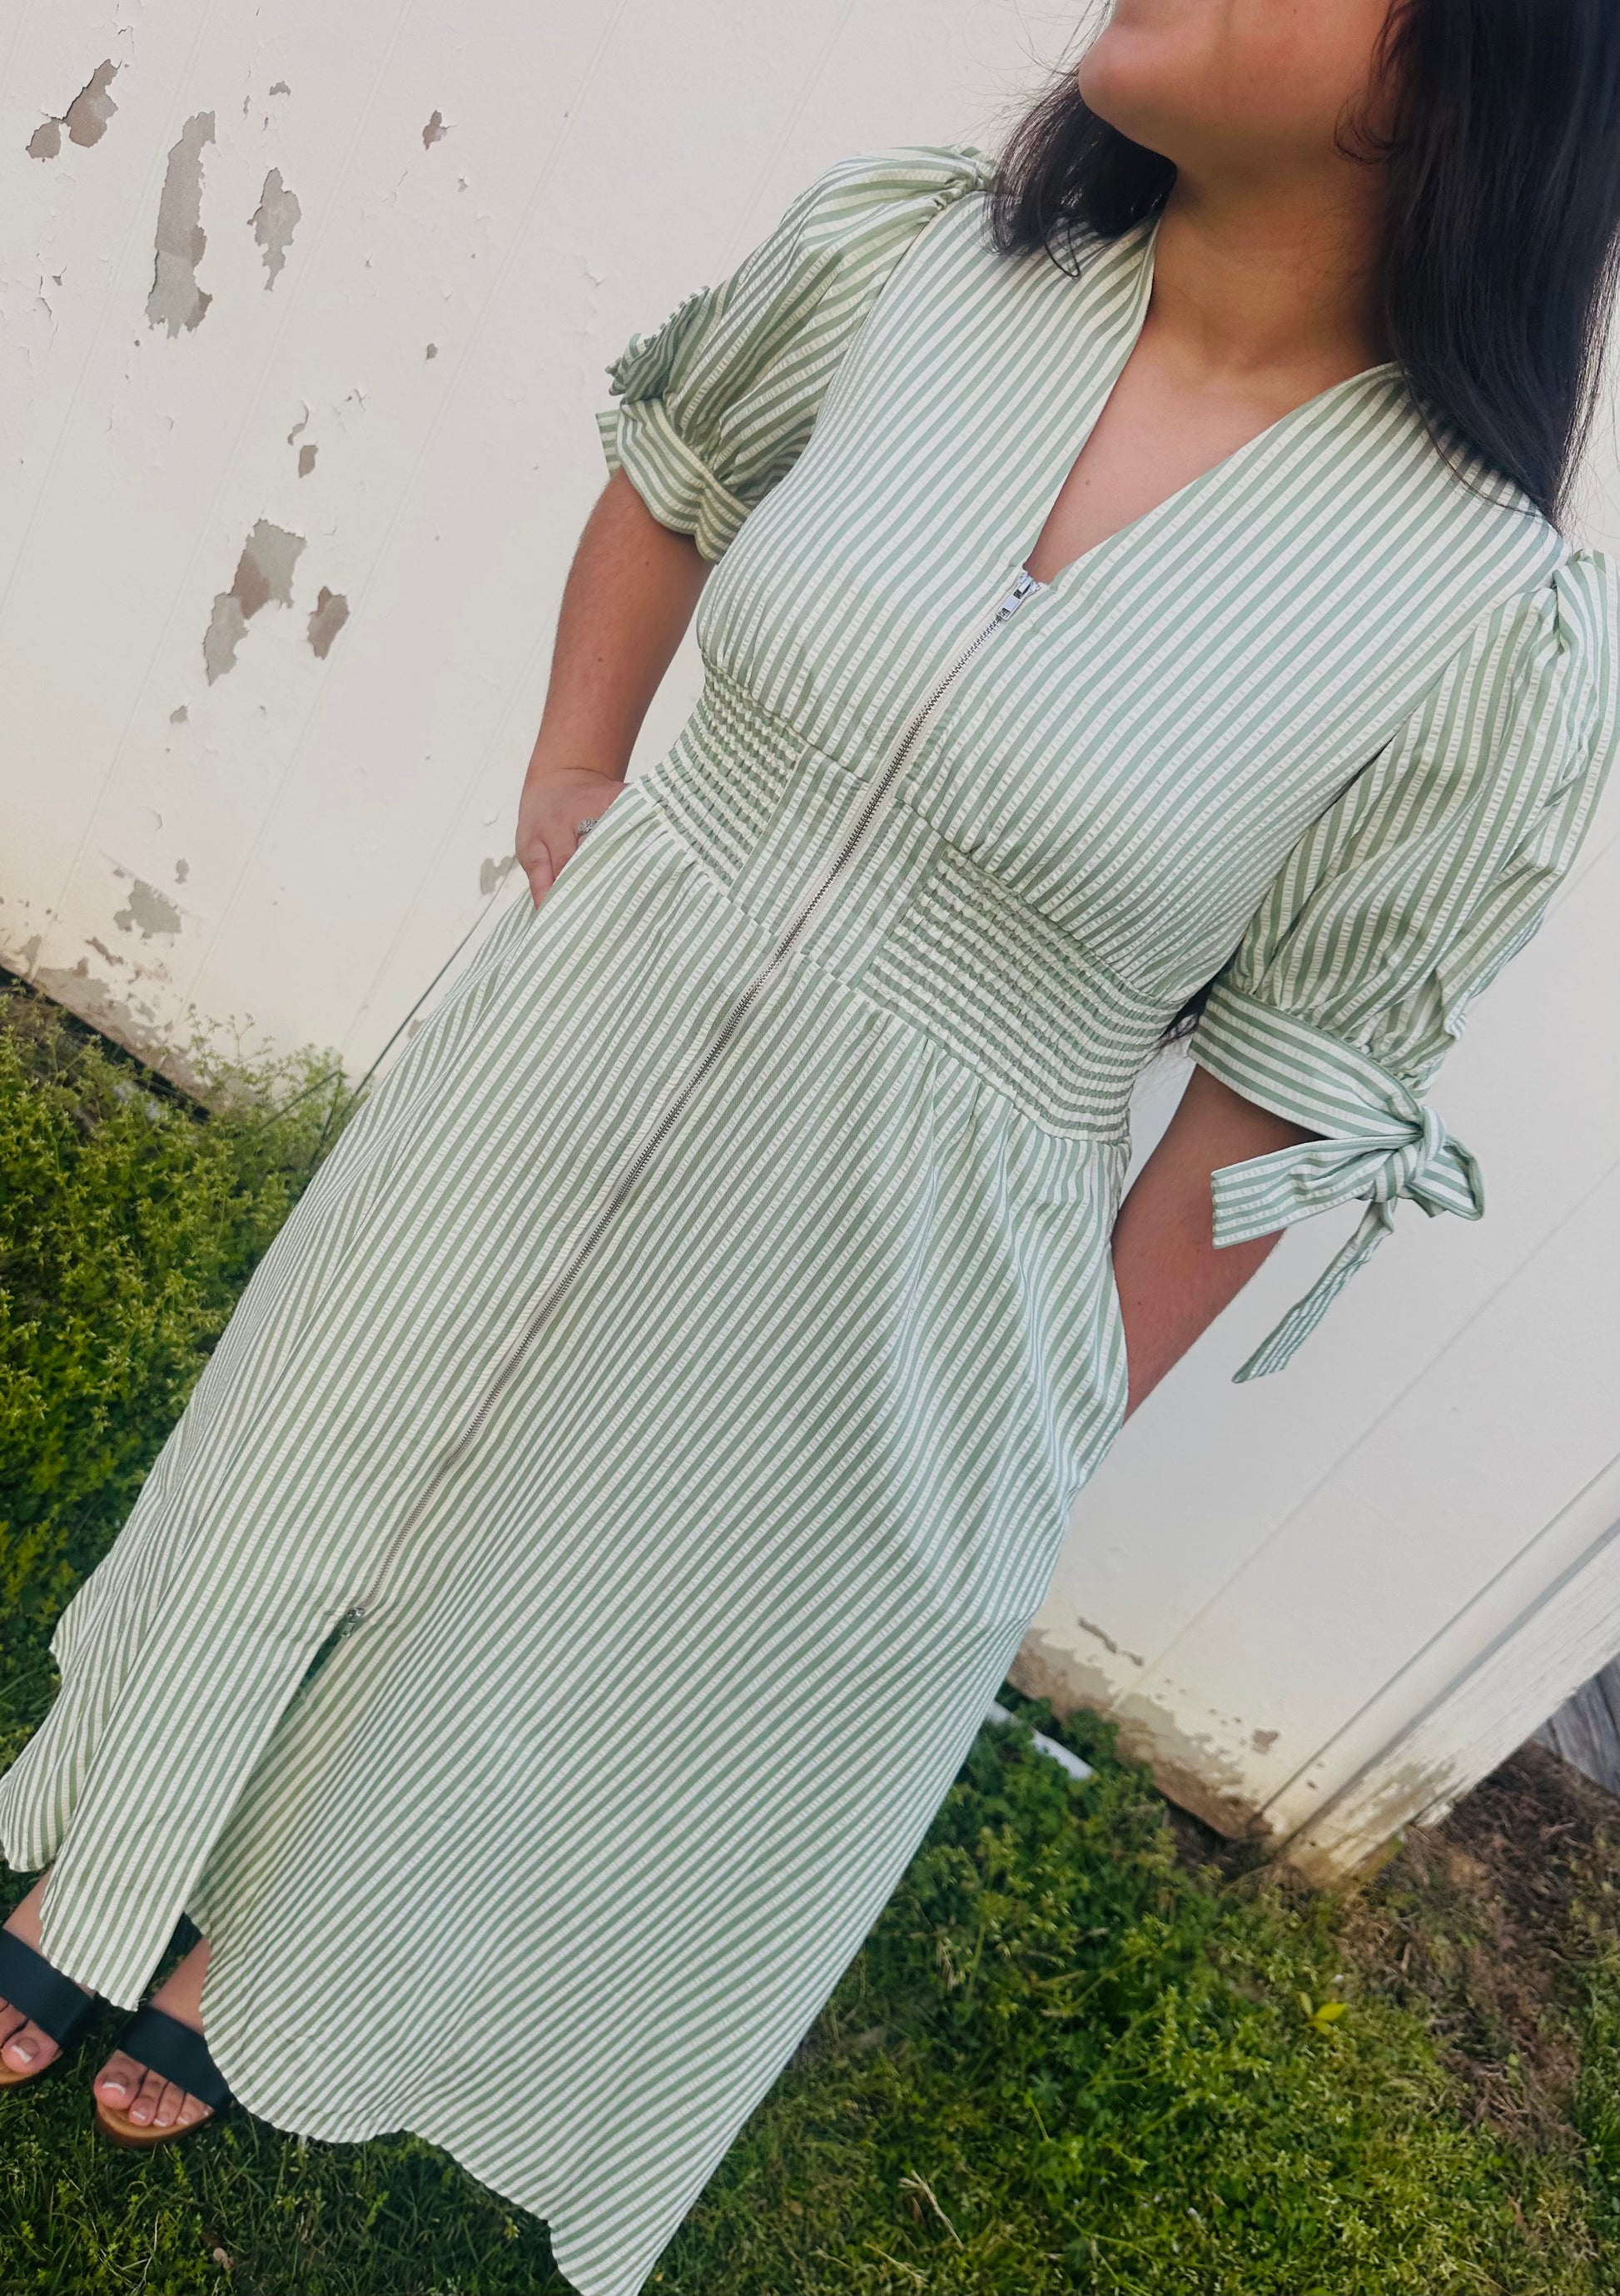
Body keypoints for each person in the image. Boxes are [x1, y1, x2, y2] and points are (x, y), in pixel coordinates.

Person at [3, 2, 1618, 2290]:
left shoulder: (1478, 630)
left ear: (1463, 71)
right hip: (583, 1038)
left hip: (912, 1248)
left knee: (576, 1623)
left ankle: (280, 1963)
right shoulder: (912, 265)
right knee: (323, 1422)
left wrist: (1042, 1417)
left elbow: (1289, 1088)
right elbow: (676, 470)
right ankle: (115, 1831)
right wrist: (576, 790)